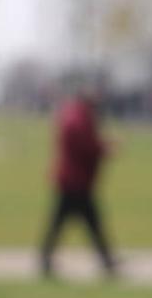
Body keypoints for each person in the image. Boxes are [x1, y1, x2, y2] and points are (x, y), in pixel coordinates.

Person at [39, 89, 118, 278]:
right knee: (87, 221)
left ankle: (47, 258)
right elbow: (83, 144)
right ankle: (105, 259)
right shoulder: (77, 117)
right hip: (75, 180)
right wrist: (103, 148)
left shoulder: (75, 114)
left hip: (75, 179)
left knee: (68, 222)